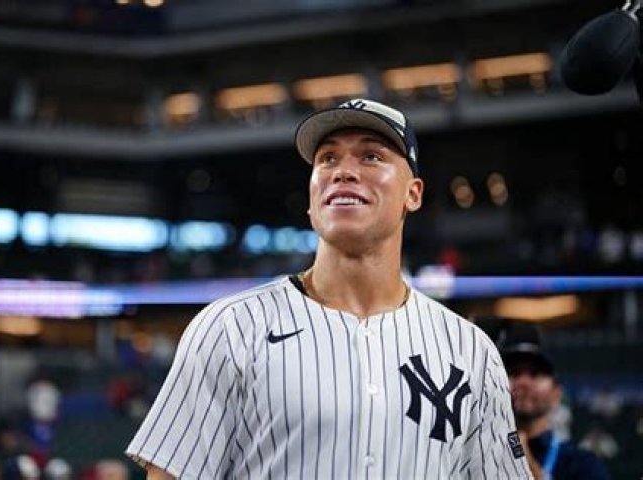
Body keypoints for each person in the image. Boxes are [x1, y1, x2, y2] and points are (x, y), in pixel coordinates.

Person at [126, 99, 532, 479]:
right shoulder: (231, 328)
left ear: (413, 194)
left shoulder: (470, 350)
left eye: (371, 156)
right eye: (328, 159)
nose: (343, 171)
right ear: (311, 197)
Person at [496, 321, 610, 480]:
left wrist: (522, 457)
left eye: (535, 374)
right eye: (513, 373)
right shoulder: (479, 455)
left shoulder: (582, 465)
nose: (523, 382)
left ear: (557, 394)